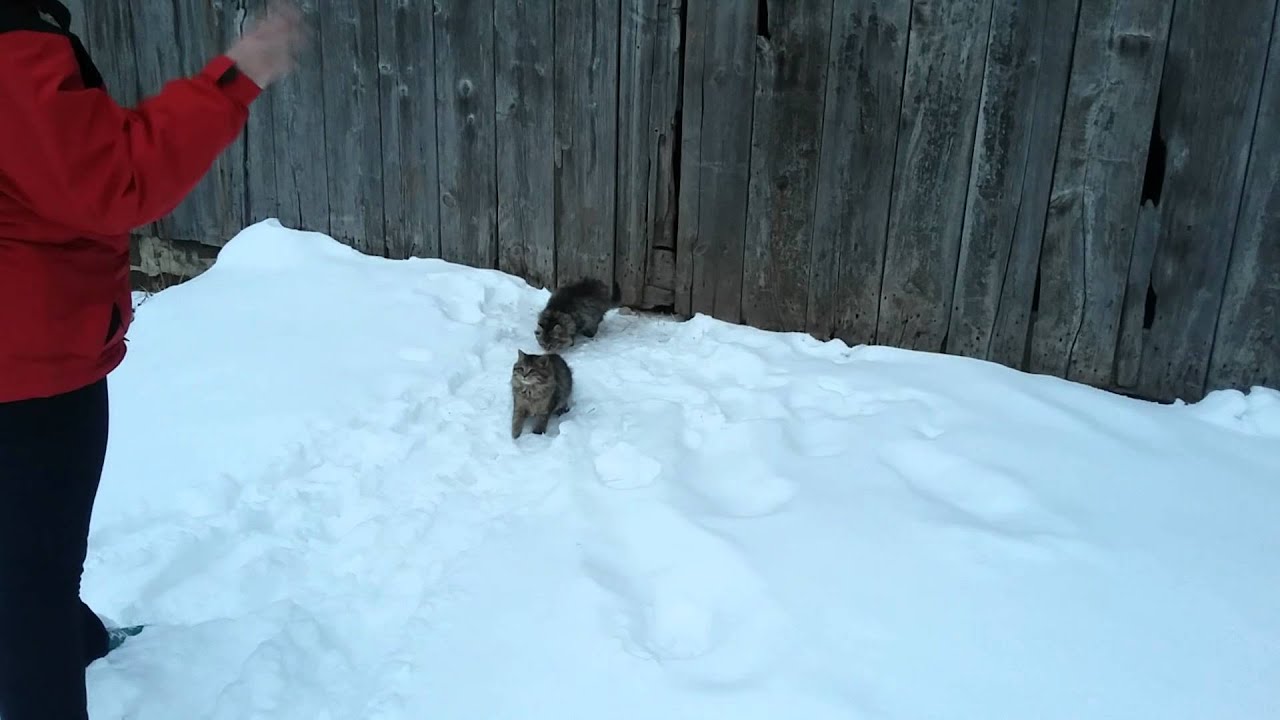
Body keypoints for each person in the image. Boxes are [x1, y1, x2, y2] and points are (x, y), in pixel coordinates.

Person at [0, 0, 306, 717]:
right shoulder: (10, 46)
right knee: (31, 583)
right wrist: (239, 75)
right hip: (27, 361)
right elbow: (114, 179)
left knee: (24, 549)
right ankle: (52, 651)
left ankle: (73, 639)